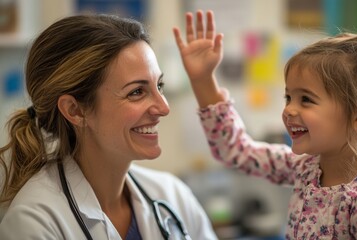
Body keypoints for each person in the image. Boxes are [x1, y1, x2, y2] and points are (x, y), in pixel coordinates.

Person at [173, 10, 357, 239]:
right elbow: (237, 151)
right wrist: (203, 80)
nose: (289, 109)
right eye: (288, 97)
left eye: (306, 99)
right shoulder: (305, 169)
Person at [0, 14, 217, 240]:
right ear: (75, 110)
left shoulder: (172, 196)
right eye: (136, 92)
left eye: (159, 85)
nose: (164, 108)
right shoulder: (33, 223)